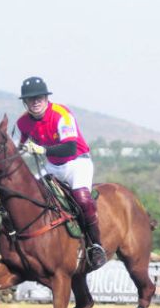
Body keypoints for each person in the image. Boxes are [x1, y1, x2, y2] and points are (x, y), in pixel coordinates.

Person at [15, 76, 107, 271]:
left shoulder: (61, 114)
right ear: (25, 102)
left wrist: (41, 150)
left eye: (39, 97)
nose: (35, 102)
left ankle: (96, 245)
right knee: (29, 195)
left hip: (77, 163)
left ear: (46, 98)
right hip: (52, 166)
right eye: (31, 99)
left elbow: (70, 148)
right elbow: (20, 147)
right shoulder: (22, 122)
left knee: (82, 199)